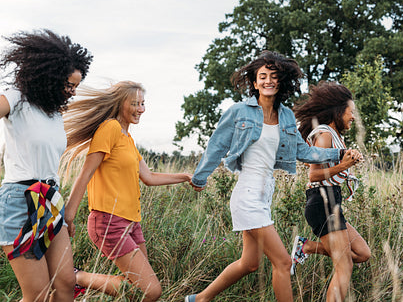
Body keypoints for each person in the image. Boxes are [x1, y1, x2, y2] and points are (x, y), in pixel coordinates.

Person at [184, 51, 353, 302]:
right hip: (247, 193)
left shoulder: (285, 115)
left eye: (273, 76)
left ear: (280, 82)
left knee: (249, 263)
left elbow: (302, 151)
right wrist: (200, 177)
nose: (268, 81)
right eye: (262, 76)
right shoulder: (239, 111)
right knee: (284, 262)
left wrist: (339, 153)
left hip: (265, 192)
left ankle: (198, 299)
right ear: (254, 83)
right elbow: (217, 145)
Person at [62, 81, 192, 301]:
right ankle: (76, 278)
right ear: (119, 103)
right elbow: (85, 174)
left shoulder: (128, 138)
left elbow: (148, 177)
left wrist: (186, 177)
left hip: (132, 222)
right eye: (134, 103)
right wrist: (69, 217)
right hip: (109, 221)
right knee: (150, 291)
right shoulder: (110, 128)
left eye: (143, 103)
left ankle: (77, 279)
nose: (140, 108)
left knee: (137, 288)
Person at [0, 29, 93, 302]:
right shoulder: (18, 97)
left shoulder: (53, 113)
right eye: (68, 84)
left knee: (65, 284)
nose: (72, 92)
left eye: (76, 86)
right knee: (38, 295)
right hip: (19, 201)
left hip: (51, 201)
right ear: (49, 76)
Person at [292, 81, 371, 301]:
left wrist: (348, 161)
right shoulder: (324, 134)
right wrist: (345, 165)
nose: (353, 117)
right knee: (344, 266)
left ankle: (306, 247)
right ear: (338, 111)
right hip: (322, 201)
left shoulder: (335, 136)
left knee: (362, 254)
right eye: (350, 112)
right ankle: (305, 248)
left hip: (332, 201)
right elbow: (313, 175)